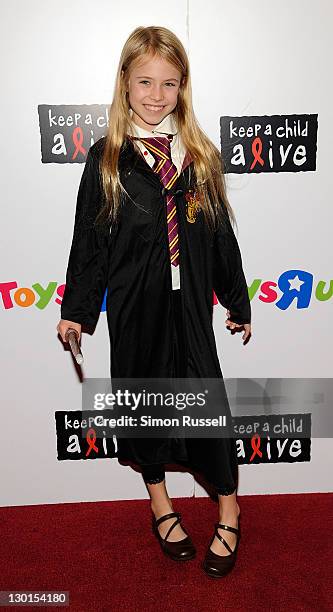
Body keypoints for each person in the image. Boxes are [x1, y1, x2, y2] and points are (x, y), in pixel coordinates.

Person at [57, 25, 252, 578]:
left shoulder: (199, 155)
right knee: (145, 406)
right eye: (144, 81)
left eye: (169, 83)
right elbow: (89, 243)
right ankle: (160, 504)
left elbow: (220, 238)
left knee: (207, 410)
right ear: (124, 82)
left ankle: (229, 506)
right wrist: (76, 310)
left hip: (190, 307)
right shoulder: (107, 158)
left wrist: (237, 300)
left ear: (182, 87)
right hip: (135, 308)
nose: (155, 95)